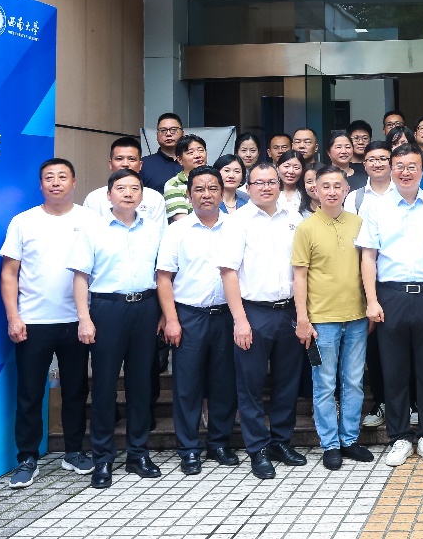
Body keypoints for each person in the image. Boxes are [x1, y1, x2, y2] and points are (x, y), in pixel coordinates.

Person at [0, 159, 98, 488]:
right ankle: (27, 457)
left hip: (76, 320)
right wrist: (13, 316)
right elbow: (9, 273)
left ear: (74, 182)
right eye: (49, 178)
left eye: (62, 177)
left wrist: (90, 317)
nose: (56, 182)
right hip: (33, 321)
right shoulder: (23, 221)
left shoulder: (90, 220)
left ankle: (74, 451)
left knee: (75, 390)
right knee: (30, 393)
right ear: (41, 184)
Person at [69, 169, 165, 488]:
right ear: (108, 194)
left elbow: (164, 275)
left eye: (134, 188)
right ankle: (103, 458)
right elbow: (80, 277)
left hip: (146, 307)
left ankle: (138, 453)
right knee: (105, 385)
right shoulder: (92, 229)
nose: (128, 193)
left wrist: (164, 314)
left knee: (141, 384)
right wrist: (84, 318)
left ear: (142, 195)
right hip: (107, 309)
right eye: (121, 188)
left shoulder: (154, 229)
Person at [358, 144, 423, 467]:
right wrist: (371, 300)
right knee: (393, 370)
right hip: (391, 295)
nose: (405, 172)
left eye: (412, 166)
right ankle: (398, 437)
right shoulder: (375, 207)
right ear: (391, 169)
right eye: (400, 166)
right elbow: (368, 256)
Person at [221, 162, 308, 479]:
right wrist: (240, 320)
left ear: (279, 185)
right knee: (251, 384)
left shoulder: (294, 219)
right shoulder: (237, 222)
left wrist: (303, 315)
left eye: (272, 181)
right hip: (254, 312)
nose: (266, 187)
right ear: (248, 187)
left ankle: (280, 441)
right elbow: (228, 272)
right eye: (259, 182)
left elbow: (302, 270)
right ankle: (257, 448)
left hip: (289, 311)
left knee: (287, 382)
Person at [155, 165, 238, 475]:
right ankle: (189, 448)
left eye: (212, 188)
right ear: (189, 195)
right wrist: (171, 320)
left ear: (222, 193)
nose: (206, 194)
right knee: (187, 385)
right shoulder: (177, 231)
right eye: (199, 189)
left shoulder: (235, 227)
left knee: (224, 382)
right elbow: (164, 278)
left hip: (226, 315)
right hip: (189, 315)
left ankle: (219, 442)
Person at [293, 166, 374, 471]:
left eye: (337, 186)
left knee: (353, 381)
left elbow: (368, 266)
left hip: (356, 316)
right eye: (325, 186)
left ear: (346, 189)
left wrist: (370, 305)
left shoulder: (358, 223)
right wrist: (303, 318)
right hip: (322, 320)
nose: (331, 191)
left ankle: (349, 439)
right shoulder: (306, 228)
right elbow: (299, 276)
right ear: (314, 189)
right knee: (325, 384)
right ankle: (330, 444)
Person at [345, 140, 396, 430]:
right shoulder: (355, 198)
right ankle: (380, 401)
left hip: (395, 279)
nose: (377, 163)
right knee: (374, 345)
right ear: (364, 165)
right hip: (365, 279)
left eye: (383, 158)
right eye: (372, 159)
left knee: (402, 344)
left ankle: (409, 402)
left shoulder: (402, 192)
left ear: (392, 163)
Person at [84, 136, 167, 220]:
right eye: (119, 159)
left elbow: (159, 228)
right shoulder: (94, 198)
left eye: (131, 159)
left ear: (140, 165)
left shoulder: (155, 198)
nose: (125, 164)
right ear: (110, 164)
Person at [163, 134, 209, 223]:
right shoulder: (173, 184)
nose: (198, 155)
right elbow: (182, 221)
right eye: (191, 153)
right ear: (180, 160)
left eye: (201, 150)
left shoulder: (217, 180)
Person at [142, 112, 184, 192]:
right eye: (163, 130)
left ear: (183, 133)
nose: (168, 134)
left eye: (173, 130)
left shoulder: (192, 161)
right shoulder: (144, 164)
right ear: (157, 135)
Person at [275, 150, 310, 217]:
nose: (291, 171)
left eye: (296, 168)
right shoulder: (271, 192)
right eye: (286, 166)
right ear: (277, 167)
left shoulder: (308, 194)